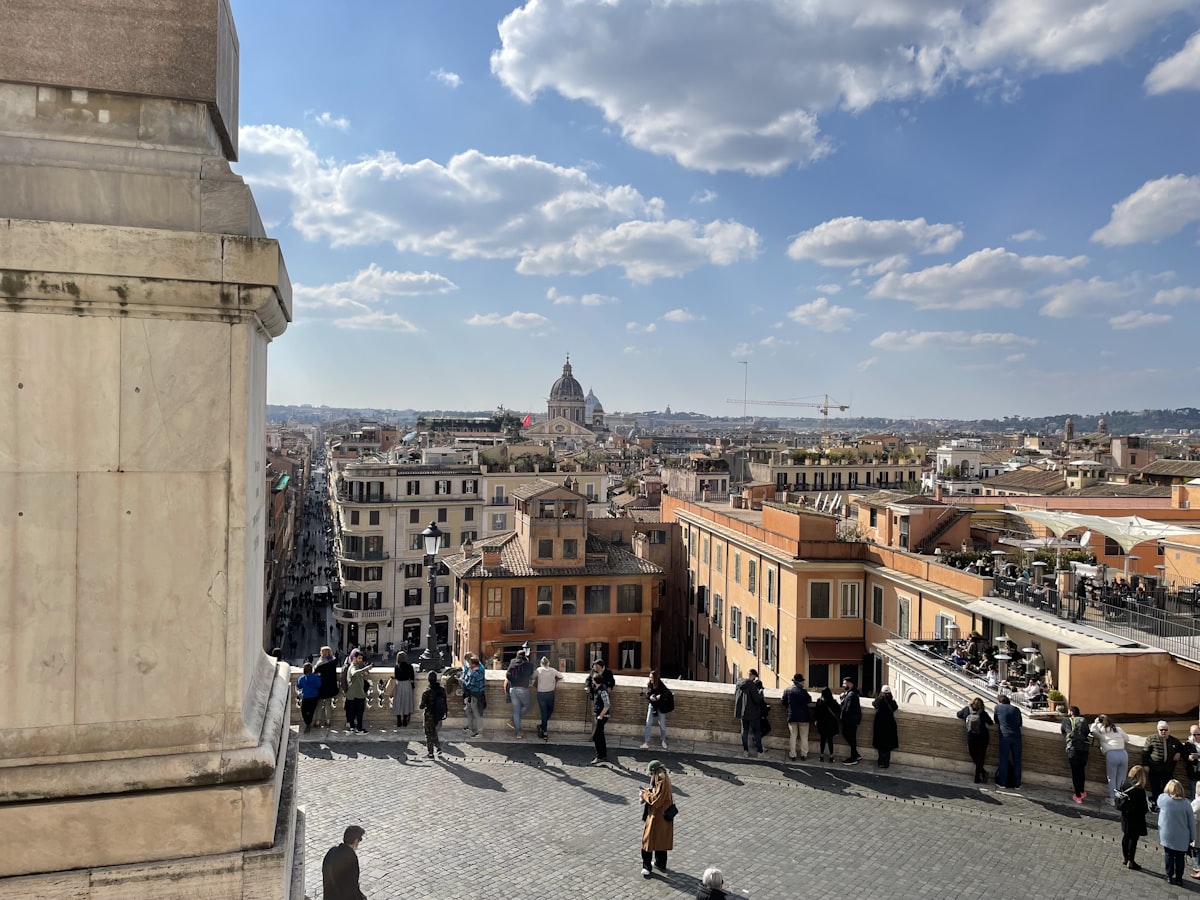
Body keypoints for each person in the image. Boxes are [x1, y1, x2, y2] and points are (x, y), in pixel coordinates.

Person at [639, 760, 674, 878]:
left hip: (657, 816)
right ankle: (660, 863)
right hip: (662, 816)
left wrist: (644, 794)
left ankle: (646, 866)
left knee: (647, 841)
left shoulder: (661, 780)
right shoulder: (663, 778)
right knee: (661, 840)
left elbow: (656, 800)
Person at [1158, 778, 1195, 885]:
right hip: (1182, 836)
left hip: (1167, 835)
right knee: (1180, 858)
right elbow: (1191, 822)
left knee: (1168, 855)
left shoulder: (1163, 800)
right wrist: (1193, 837)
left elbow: (1161, 797)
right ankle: (1179, 878)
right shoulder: (1186, 804)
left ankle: (1169, 875)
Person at [1143, 720, 1184, 812]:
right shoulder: (1151, 739)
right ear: (1158, 730)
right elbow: (1145, 753)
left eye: (1165, 730)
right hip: (1154, 769)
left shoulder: (1174, 741)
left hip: (1168, 770)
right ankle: (1157, 805)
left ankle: (1166, 805)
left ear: (1169, 730)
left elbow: (1183, 749)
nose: (1163, 732)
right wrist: (1145, 765)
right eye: (1161, 730)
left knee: (1168, 789)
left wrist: (1179, 753)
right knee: (1155, 788)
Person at [1090, 714, 1130, 805]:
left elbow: (1092, 731)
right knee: (1122, 778)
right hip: (1123, 754)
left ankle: (1113, 799)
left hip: (1111, 754)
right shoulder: (1118, 729)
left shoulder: (1101, 732)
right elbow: (1127, 739)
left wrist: (1094, 723)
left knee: (1111, 778)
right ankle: (1121, 798)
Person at [322, 825, 367, 900]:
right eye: (360, 839)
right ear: (356, 841)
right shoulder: (351, 858)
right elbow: (351, 886)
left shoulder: (331, 851)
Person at [956, 696, 993, 784]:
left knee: (973, 755)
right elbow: (990, 722)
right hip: (982, 737)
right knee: (981, 757)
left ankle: (983, 773)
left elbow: (958, 714)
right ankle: (978, 777)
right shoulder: (982, 712)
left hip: (971, 737)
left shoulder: (966, 710)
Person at [1119, 765, 1149, 870]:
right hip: (1136, 816)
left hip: (1125, 814)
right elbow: (1144, 807)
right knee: (1133, 839)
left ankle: (1125, 858)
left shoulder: (1125, 783)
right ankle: (1131, 860)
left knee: (1126, 836)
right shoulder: (1139, 789)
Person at [1061, 705, 1091, 803]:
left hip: (1073, 748)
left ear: (1071, 712)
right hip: (1084, 749)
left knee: (1075, 772)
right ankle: (1082, 791)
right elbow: (1087, 732)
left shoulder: (1067, 720)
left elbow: (1064, 731)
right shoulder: (1084, 720)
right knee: (1081, 771)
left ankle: (1077, 796)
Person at [992, 694, 1022, 789]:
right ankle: (1017, 783)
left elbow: (996, 720)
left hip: (1004, 736)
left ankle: (1002, 782)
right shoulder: (1016, 709)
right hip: (1017, 736)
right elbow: (1020, 723)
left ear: (1000, 702)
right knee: (1017, 760)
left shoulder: (998, 708)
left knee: (1003, 759)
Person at [734, 669, 765, 758]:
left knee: (744, 732)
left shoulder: (739, 683)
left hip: (742, 712)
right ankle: (760, 752)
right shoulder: (752, 686)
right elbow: (757, 699)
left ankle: (745, 751)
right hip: (753, 713)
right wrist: (761, 693)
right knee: (756, 732)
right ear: (753, 676)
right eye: (755, 677)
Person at [504, 648, 534, 738]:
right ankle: (512, 719)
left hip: (512, 689)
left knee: (516, 710)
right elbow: (531, 673)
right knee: (527, 706)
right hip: (523, 689)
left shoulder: (513, 662)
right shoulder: (528, 664)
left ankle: (519, 732)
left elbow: (508, 675)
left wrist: (514, 681)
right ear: (525, 656)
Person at [781, 673, 811, 762]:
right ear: (800, 682)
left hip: (792, 715)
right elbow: (809, 700)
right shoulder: (803, 691)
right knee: (804, 736)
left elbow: (783, 702)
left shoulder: (787, 690)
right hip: (803, 717)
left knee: (793, 736)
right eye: (802, 681)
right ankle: (804, 754)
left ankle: (793, 754)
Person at [418, 670, 446, 759]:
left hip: (429, 715)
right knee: (434, 731)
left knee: (429, 734)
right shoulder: (441, 690)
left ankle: (430, 753)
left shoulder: (427, 692)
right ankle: (438, 748)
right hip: (439, 715)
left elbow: (421, 706)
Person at [642, 669, 674, 750]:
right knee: (648, 723)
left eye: (652, 678)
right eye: (649, 678)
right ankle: (646, 742)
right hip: (652, 705)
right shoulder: (650, 684)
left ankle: (663, 740)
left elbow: (668, 693)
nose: (650, 679)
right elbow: (647, 694)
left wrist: (660, 696)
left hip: (660, 706)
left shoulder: (660, 685)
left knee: (662, 724)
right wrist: (650, 697)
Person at [533, 655, 563, 740]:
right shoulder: (553, 670)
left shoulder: (538, 670)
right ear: (548, 663)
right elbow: (561, 676)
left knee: (543, 712)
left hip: (541, 694)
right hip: (550, 693)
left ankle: (544, 728)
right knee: (550, 710)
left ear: (541, 663)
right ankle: (544, 729)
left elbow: (532, 677)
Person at [343, 649, 371, 734]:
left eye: (361, 658)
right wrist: (367, 668)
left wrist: (363, 673)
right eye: (359, 658)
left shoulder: (354, 666)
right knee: (359, 712)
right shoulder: (353, 666)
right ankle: (359, 729)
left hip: (353, 693)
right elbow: (354, 673)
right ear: (354, 658)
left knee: (352, 711)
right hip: (357, 693)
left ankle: (352, 727)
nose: (360, 660)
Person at [872, 685, 899, 769]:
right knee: (888, 746)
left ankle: (881, 762)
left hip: (880, 725)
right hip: (889, 726)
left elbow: (874, 703)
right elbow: (895, 707)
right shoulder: (892, 702)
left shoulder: (879, 701)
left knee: (880, 745)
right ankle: (886, 763)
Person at [459, 652, 486, 737]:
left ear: (474, 664)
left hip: (475, 695)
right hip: (476, 694)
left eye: (469, 663)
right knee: (469, 710)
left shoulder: (474, 673)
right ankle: (471, 728)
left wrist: (462, 681)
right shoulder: (479, 669)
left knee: (477, 713)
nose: (468, 665)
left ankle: (479, 732)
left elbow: (469, 685)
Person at [814, 685, 841, 763]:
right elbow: (838, 710)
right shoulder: (833, 702)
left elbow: (816, 713)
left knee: (822, 740)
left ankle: (821, 756)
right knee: (830, 740)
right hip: (831, 724)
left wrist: (816, 720)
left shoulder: (819, 701)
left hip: (822, 723)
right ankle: (831, 756)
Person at [389, 649, 415, 728]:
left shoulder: (397, 667)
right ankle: (405, 721)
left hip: (399, 685)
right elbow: (412, 677)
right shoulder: (410, 667)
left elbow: (397, 677)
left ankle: (399, 720)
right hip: (407, 685)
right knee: (406, 702)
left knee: (398, 702)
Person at [314, 645, 339, 728]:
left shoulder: (320, 663)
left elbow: (315, 671)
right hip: (331, 686)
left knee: (319, 704)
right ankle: (328, 721)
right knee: (328, 704)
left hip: (321, 685)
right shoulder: (333, 661)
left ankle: (317, 722)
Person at [839, 677, 862, 765]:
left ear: (850, 684)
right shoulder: (852, 693)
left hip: (850, 720)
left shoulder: (851, 695)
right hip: (853, 720)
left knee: (850, 737)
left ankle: (854, 758)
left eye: (845, 683)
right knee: (851, 738)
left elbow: (847, 709)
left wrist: (842, 700)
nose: (843, 685)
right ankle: (855, 754)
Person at [590, 672, 611, 764]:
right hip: (600, 715)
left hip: (602, 716)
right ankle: (603, 755)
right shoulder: (598, 689)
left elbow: (607, 705)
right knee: (601, 735)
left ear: (595, 681)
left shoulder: (602, 691)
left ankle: (599, 756)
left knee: (596, 736)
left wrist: (600, 716)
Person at [296, 662, 321, 733]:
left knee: (303, 711)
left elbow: (299, 686)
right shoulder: (316, 677)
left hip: (306, 697)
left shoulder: (302, 678)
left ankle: (307, 723)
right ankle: (308, 723)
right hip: (314, 696)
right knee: (311, 711)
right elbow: (319, 685)